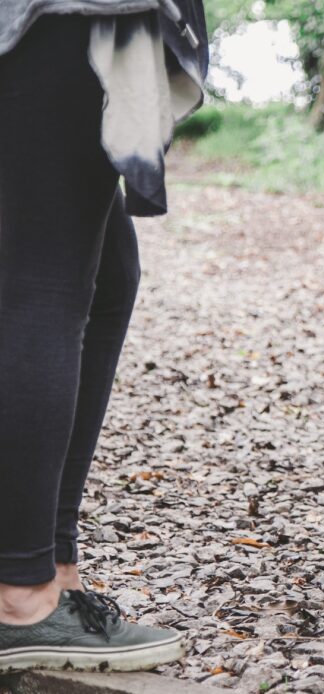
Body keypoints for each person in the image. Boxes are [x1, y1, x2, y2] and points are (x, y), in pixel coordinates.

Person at [0, 0, 207, 670]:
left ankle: (50, 568)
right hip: (55, 18)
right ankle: (20, 598)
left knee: (107, 276)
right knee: (45, 280)